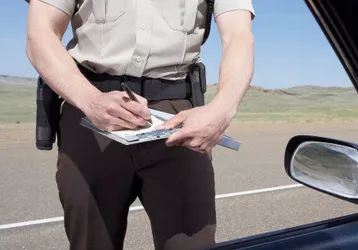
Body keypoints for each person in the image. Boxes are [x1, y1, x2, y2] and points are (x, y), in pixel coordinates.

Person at [25, 0, 255, 249]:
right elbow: (41, 31)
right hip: (91, 108)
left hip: (178, 119)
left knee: (194, 243)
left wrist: (221, 109)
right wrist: (90, 100)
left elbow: (238, 36)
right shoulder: (91, 102)